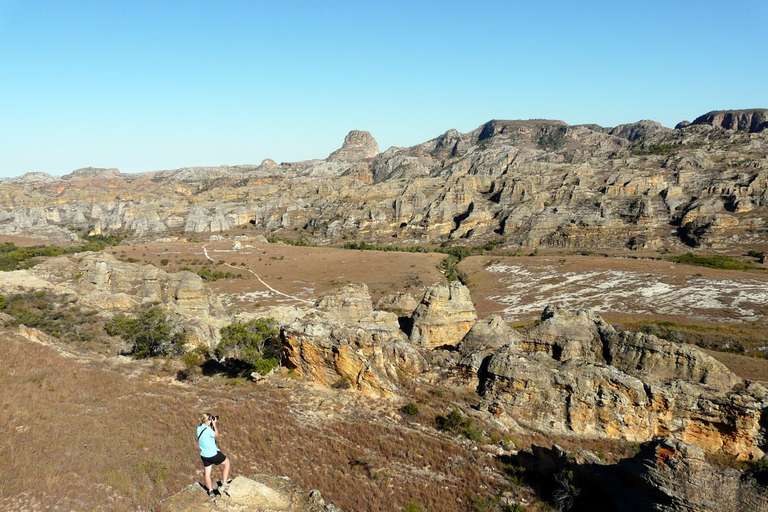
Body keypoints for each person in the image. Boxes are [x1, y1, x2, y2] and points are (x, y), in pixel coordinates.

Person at [196, 413, 231, 496]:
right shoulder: (208, 430)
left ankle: (211, 491)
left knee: (207, 474)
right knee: (227, 462)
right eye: (210, 419)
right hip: (213, 454)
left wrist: (209, 424)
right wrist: (214, 424)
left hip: (204, 455)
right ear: (208, 420)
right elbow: (216, 435)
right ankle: (224, 484)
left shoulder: (198, 428)